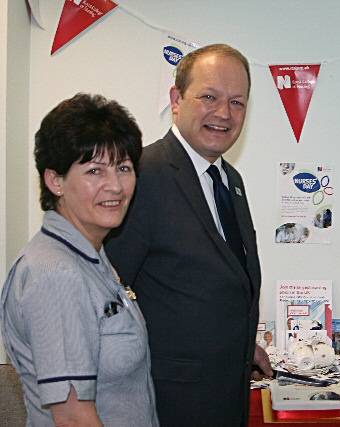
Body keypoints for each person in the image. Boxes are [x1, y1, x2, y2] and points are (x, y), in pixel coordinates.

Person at [105, 44, 271, 426]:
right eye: (209, 97)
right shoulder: (142, 174)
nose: (223, 114)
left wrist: (243, 348)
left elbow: (210, 285)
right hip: (167, 404)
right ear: (176, 99)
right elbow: (105, 296)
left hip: (226, 396)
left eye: (237, 102)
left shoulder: (231, 181)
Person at [0, 94, 158, 426]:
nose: (115, 186)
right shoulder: (56, 273)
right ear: (55, 180)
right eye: (94, 170)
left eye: (124, 168)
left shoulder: (91, 256)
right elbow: (72, 417)